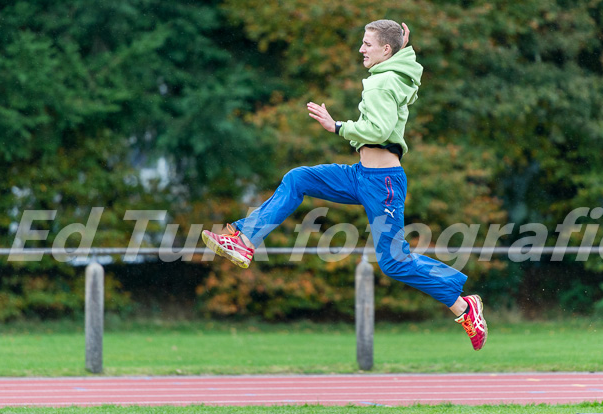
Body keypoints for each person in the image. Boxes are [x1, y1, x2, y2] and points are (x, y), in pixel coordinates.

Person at [202, 20, 487, 351]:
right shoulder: (395, 73)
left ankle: (466, 307)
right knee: (298, 178)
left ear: (386, 51)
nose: (361, 49)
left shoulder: (381, 84)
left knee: (394, 260)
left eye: (368, 44)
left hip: (383, 184)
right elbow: (403, 72)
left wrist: (337, 126)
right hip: (361, 175)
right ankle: (245, 238)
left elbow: (379, 131)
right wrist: (404, 46)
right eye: (362, 43)